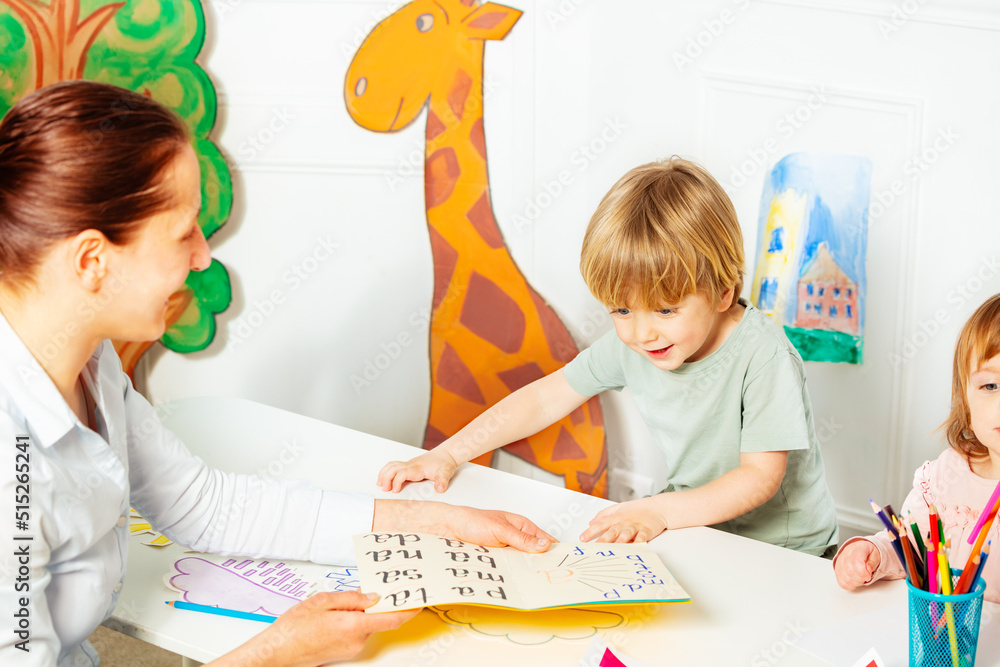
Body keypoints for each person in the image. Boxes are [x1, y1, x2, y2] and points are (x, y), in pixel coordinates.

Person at [0, 80, 553, 666]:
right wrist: (278, 653)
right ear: (92, 261)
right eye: (182, 230)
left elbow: (200, 503)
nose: (202, 256)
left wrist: (433, 524)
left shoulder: (86, 358)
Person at [378, 158, 839, 556]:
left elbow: (758, 478)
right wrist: (448, 454)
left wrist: (656, 509)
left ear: (722, 292)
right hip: (697, 528)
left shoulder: (764, 356)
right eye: (621, 309)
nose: (640, 332)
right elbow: (544, 399)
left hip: (786, 551)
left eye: (665, 308)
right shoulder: (638, 342)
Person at [834, 294, 1000, 602]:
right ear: (965, 397)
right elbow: (909, 548)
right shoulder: (945, 475)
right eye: (991, 386)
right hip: (944, 641)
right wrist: (873, 553)